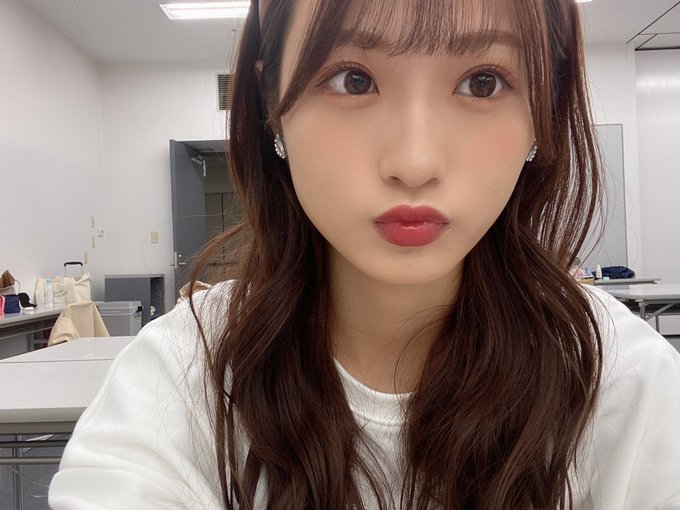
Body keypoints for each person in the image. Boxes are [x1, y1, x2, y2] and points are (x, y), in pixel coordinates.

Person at [49, 0, 680, 508]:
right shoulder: (183, 377)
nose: (415, 163)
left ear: (542, 111)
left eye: (482, 82)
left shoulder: (621, 379)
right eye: (353, 80)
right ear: (272, 105)